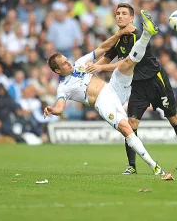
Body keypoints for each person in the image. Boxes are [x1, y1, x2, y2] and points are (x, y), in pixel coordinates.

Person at [44, 10, 167, 176]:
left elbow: (101, 49)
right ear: (58, 71)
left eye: (67, 60)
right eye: (64, 64)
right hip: (102, 102)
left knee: (126, 63)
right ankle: (155, 166)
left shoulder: (79, 63)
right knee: (126, 128)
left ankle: (146, 34)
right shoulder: (63, 88)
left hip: (112, 87)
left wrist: (120, 34)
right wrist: (52, 110)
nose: (68, 63)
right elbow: (59, 108)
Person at [86, 3, 177, 175]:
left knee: (173, 118)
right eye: (117, 13)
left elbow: (126, 62)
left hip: (156, 81)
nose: (119, 16)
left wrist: (99, 69)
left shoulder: (138, 36)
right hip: (137, 86)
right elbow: (107, 58)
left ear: (131, 18)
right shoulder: (118, 38)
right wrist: (91, 69)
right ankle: (132, 166)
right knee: (131, 123)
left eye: (124, 13)